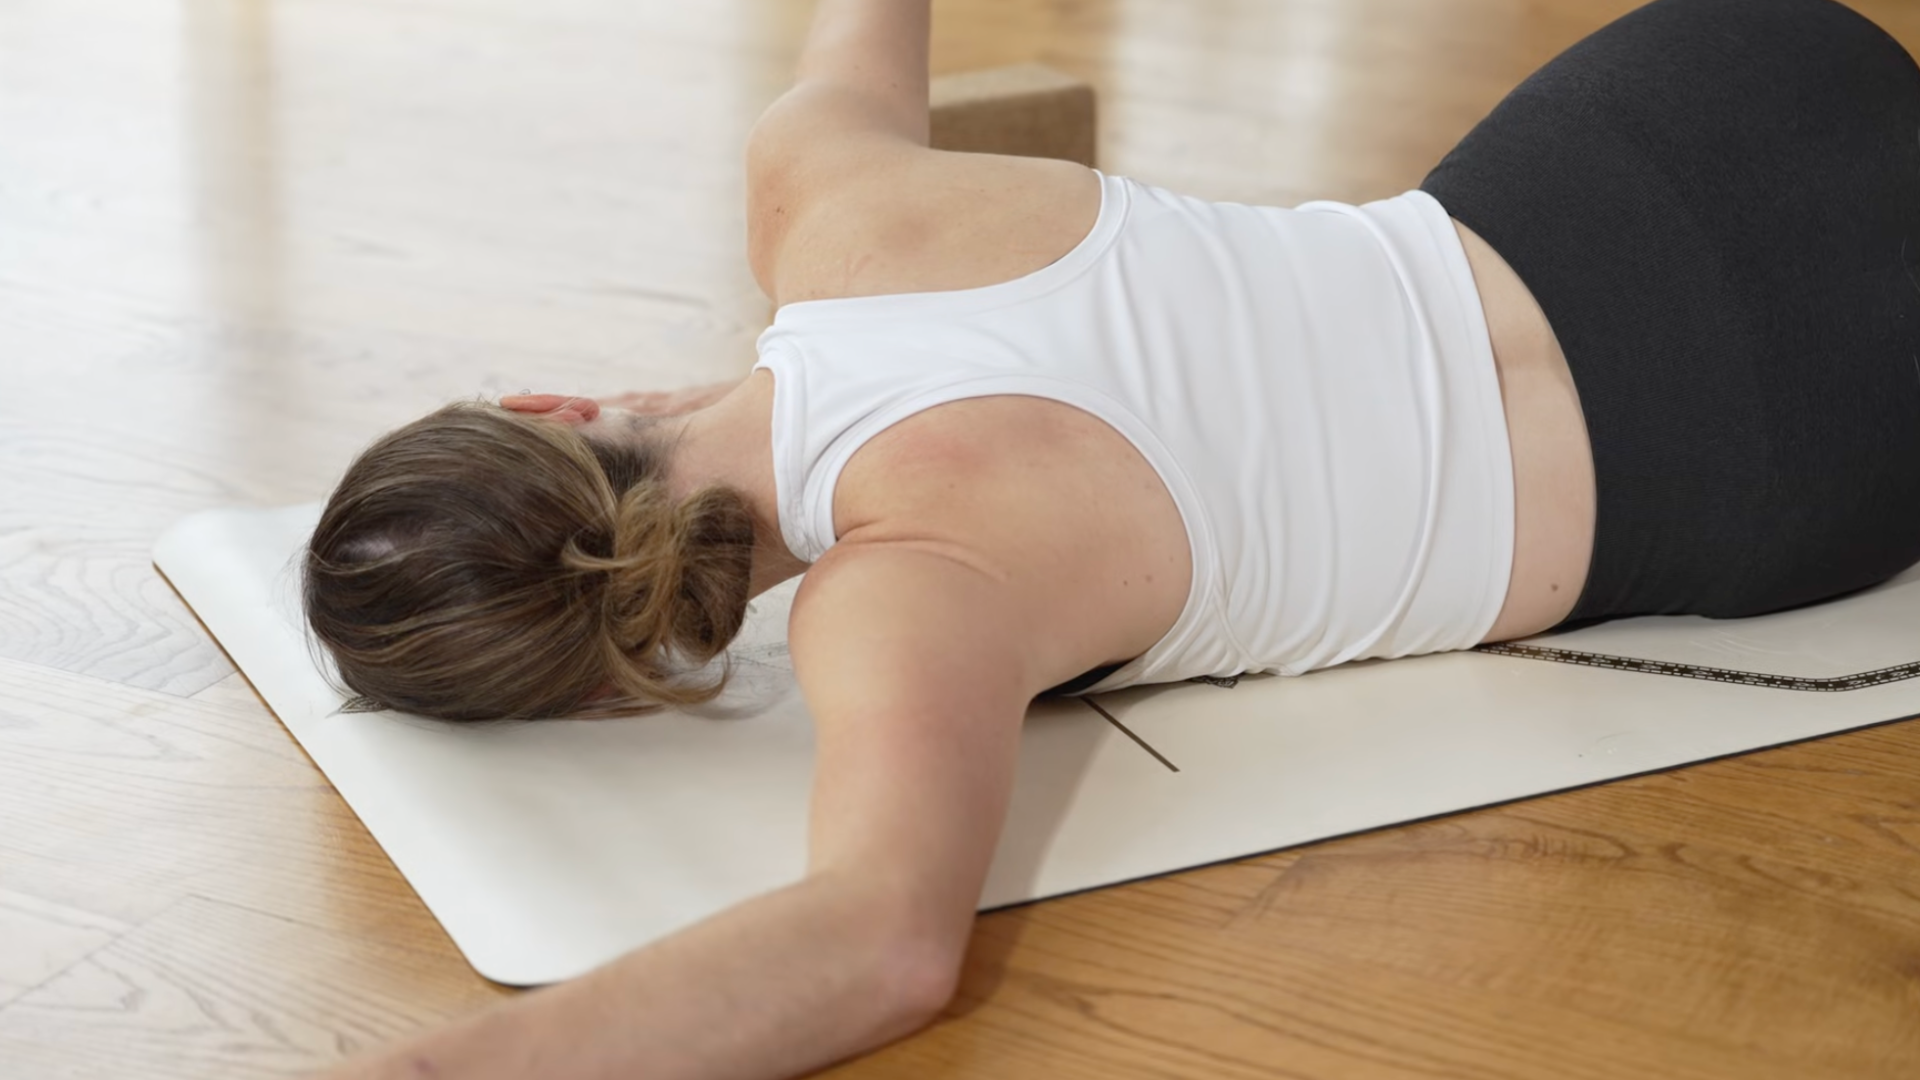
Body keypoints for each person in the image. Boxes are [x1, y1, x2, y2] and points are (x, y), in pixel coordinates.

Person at [304, 0, 1920, 1076]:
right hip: (1711, 98)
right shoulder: (820, 197)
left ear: (600, 683)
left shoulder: (904, 608)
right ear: (551, 406)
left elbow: (876, 946)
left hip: (1803, 450)